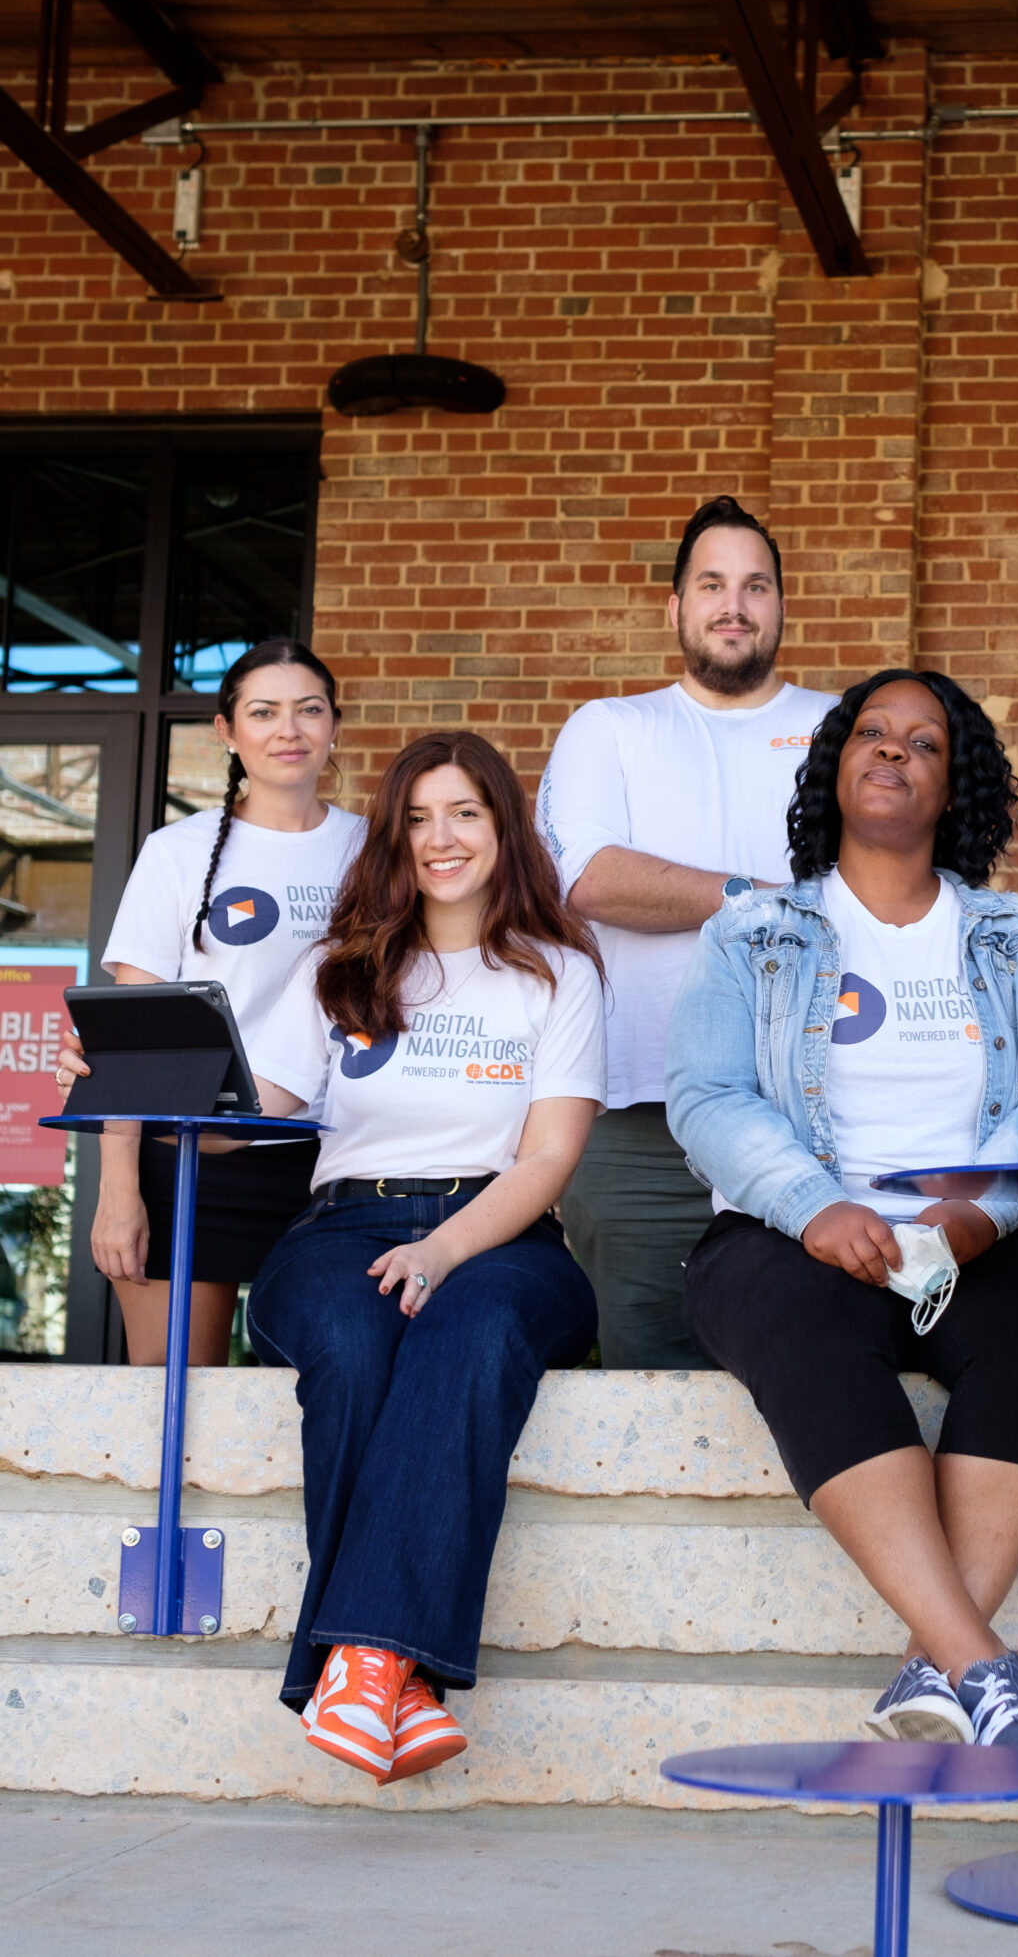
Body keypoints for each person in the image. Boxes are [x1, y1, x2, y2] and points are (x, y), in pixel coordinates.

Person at [668, 669, 1018, 1750]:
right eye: (872, 733)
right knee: (802, 1324)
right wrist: (814, 1207)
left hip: (958, 1236)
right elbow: (707, 1094)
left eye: (922, 743)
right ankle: (985, 1664)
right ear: (835, 761)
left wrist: (970, 1215)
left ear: (952, 786)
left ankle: (936, 1663)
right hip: (783, 1235)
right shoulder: (754, 931)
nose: (891, 752)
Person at [246, 731, 605, 1785]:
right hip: (342, 1230)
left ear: (503, 829)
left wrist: (444, 1249)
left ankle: (357, 1659)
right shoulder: (340, 967)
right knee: (352, 1344)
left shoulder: (560, 973)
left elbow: (548, 1157)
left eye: (465, 814)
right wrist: (153, 1070)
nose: (440, 838)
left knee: (471, 1324)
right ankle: (394, 1677)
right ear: (394, 837)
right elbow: (248, 1111)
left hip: (500, 1235)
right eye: (416, 817)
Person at [535, 495, 836, 1368]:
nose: (733, 604)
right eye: (711, 584)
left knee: (807, 1367)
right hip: (640, 1114)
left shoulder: (842, 727)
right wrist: (762, 897)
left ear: (781, 605)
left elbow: (880, 886)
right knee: (644, 1371)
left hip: (809, 1106)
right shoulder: (611, 728)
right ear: (674, 607)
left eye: (755, 586)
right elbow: (588, 878)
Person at [58, 640, 363, 1366]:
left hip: (337, 1161)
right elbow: (134, 1041)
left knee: (325, 1398)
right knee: (174, 1408)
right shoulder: (178, 852)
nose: (288, 730)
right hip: (191, 1158)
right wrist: (119, 1189)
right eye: (264, 712)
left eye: (307, 710)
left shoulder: (375, 851)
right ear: (228, 731)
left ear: (333, 726)